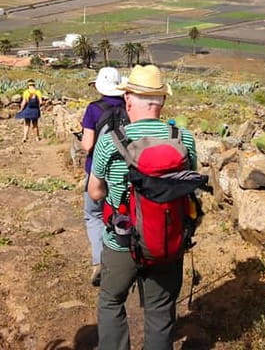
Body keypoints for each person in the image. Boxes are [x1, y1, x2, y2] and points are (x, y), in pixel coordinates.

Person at [88, 65, 197, 350]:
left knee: (112, 301)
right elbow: (190, 187)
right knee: (160, 311)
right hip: (167, 240)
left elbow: (95, 191)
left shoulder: (110, 141)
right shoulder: (183, 139)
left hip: (121, 241)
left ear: (128, 100)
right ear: (162, 102)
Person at [80, 67, 126, 287]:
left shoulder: (93, 109)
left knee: (94, 214)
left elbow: (88, 144)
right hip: (125, 170)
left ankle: (100, 261)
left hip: (97, 171)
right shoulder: (130, 107)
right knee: (122, 212)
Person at [17, 78, 43, 142]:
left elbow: (23, 102)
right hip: (35, 110)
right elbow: (41, 102)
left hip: (27, 109)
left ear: (28, 85)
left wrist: (21, 110)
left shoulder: (26, 92)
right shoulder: (38, 92)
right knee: (35, 124)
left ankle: (25, 137)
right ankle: (37, 137)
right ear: (34, 85)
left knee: (26, 124)